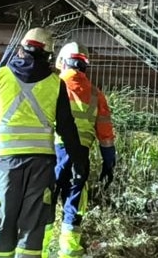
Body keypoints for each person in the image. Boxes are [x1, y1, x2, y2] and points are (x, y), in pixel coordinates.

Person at [0, 28, 86, 258]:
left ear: (21, 49)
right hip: (41, 164)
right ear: (49, 56)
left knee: (3, 217)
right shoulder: (55, 83)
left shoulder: (0, 76)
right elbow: (67, 127)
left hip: (6, 161)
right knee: (34, 222)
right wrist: (78, 161)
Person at [47, 44, 117, 257]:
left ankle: (37, 249)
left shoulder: (52, 86)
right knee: (75, 199)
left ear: (63, 62)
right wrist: (109, 163)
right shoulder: (96, 94)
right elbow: (105, 133)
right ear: (84, 66)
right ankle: (68, 249)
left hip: (53, 151)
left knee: (46, 198)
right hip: (81, 155)